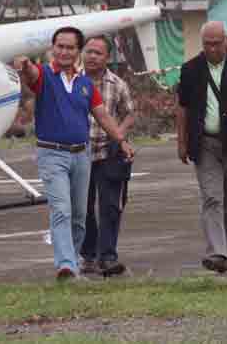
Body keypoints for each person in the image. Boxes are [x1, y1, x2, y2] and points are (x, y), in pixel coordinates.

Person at [14, 27, 134, 280]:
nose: (64, 52)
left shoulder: (85, 84)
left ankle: (74, 259)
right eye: (59, 46)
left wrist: (121, 141)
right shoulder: (44, 75)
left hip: (82, 156)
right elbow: (30, 74)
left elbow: (103, 116)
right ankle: (65, 265)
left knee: (80, 216)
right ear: (52, 48)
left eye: (70, 48)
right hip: (52, 154)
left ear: (76, 51)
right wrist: (24, 65)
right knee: (61, 210)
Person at [176, 21, 227, 273]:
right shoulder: (190, 69)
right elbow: (182, 108)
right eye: (207, 44)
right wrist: (181, 141)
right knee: (212, 198)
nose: (212, 48)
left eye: (217, 43)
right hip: (204, 143)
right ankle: (217, 253)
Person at [79, 37, 136, 276]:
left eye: (98, 53)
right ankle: (88, 255)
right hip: (79, 154)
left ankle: (108, 257)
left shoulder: (117, 84)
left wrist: (119, 136)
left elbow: (130, 113)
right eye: (89, 51)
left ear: (107, 58)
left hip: (108, 153)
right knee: (83, 209)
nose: (92, 56)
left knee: (111, 206)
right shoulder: (73, 80)